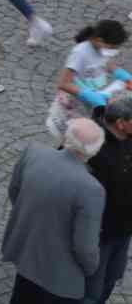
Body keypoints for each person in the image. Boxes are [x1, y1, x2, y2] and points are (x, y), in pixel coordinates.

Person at [1, 121, 106, 303]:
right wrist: (92, 269)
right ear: (94, 151)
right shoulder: (91, 189)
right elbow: (84, 247)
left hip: (26, 256)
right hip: (59, 276)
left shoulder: (33, 152)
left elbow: (14, 192)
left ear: (67, 138)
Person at [46, 19, 128, 142]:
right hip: (72, 105)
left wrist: (119, 72)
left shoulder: (101, 49)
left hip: (89, 102)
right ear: (100, 40)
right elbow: (63, 83)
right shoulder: (80, 53)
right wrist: (86, 94)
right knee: (67, 138)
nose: (113, 51)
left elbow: (106, 62)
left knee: (79, 137)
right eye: (112, 47)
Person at [86, 94, 132, 304]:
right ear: (121, 123)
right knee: (91, 289)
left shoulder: (127, 137)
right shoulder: (91, 145)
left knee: (111, 277)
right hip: (99, 232)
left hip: (123, 229)